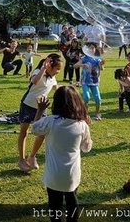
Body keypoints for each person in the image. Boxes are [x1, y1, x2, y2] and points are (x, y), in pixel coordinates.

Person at [31, 86, 92, 222]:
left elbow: (35, 129)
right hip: (72, 174)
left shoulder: (51, 121)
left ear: (56, 103)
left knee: (55, 205)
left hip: (53, 174)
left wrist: (40, 110)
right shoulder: (82, 125)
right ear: (78, 102)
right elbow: (86, 148)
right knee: (72, 201)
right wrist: (88, 129)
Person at [17, 54, 62, 172]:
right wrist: (43, 68)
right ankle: (21, 160)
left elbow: (57, 88)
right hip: (28, 105)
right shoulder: (38, 71)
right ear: (49, 66)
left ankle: (32, 157)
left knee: (42, 134)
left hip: (41, 108)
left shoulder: (52, 78)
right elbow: (35, 81)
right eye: (57, 68)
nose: (58, 71)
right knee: (24, 132)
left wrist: (70, 88)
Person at [74, 43, 103, 120]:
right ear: (87, 50)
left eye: (93, 48)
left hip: (94, 82)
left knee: (98, 99)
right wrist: (83, 65)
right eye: (90, 48)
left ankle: (97, 114)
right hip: (85, 82)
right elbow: (75, 65)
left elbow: (101, 68)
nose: (91, 49)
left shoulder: (97, 59)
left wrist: (101, 64)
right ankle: (85, 114)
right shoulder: (84, 58)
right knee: (86, 97)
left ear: (95, 50)